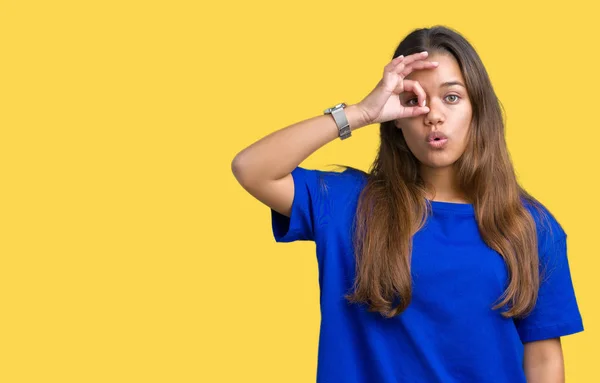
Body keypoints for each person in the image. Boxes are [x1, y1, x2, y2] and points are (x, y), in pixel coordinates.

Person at [231, 25, 584, 383]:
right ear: (395, 119)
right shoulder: (348, 205)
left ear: (477, 109)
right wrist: (359, 113)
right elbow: (252, 169)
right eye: (413, 101)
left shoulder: (529, 226)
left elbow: (543, 361)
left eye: (451, 97)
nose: (433, 115)